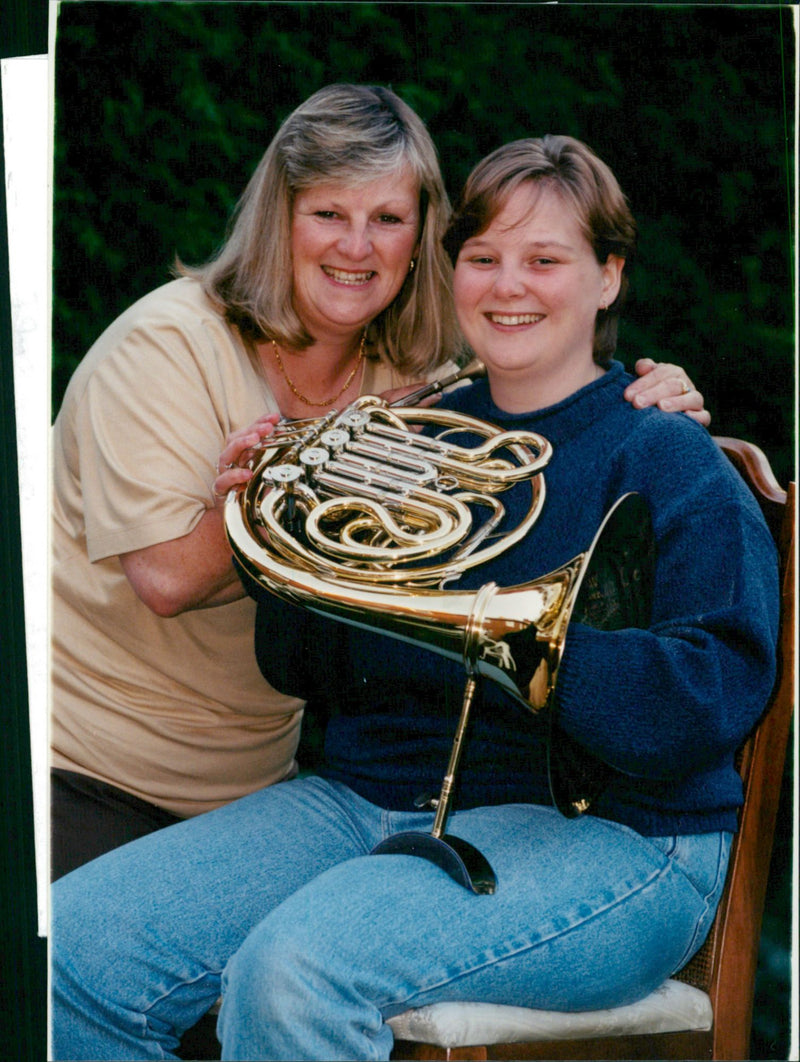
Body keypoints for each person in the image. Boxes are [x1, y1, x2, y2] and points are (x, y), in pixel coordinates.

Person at [51, 133, 778, 1062]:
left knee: (298, 973)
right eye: (484, 258)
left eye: (545, 260)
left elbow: (713, 687)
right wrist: (280, 534)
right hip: (373, 796)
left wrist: (505, 621)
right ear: (454, 273)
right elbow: (302, 667)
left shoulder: (664, 451)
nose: (509, 286)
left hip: (616, 836)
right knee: (72, 946)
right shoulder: (403, 428)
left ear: (607, 278)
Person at [50, 83, 707, 882]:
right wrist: (283, 486)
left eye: (388, 220)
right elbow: (164, 579)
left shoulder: (422, 375)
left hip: (260, 787)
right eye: (329, 213)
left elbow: (545, 370)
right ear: (280, 220)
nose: (356, 247)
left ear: (421, 236)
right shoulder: (164, 346)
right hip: (79, 770)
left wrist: (649, 397)